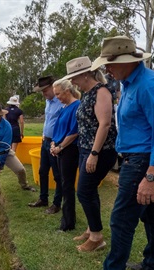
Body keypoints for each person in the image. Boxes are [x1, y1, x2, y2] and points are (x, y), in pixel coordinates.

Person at [76, 36, 154, 270]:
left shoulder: (150, 85)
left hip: (143, 161)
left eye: (110, 64)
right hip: (135, 159)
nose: (106, 70)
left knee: (121, 220)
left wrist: (151, 177)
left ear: (127, 62)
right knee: (152, 214)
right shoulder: (129, 84)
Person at [61, 56, 118, 252]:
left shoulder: (101, 92)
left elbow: (105, 124)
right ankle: (91, 228)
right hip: (85, 149)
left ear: (85, 75)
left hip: (100, 151)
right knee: (89, 190)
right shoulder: (86, 94)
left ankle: (97, 238)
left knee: (84, 190)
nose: (72, 82)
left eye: (74, 77)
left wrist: (94, 153)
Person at [28, 76, 64, 214]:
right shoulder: (48, 102)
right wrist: (44, 135)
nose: (44, 94)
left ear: (53, 87)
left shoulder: (61, 102)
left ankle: (56, 203)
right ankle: (43, 199)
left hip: (56, 142)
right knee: (43, 171)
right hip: (46, 141)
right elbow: (48, 120)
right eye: (42, 91)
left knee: (57, 174)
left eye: (46, 90)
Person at [50, 79, 80, 232]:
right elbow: (57, 129)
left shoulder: (76, 107)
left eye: (58, 94)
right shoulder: (64, 107)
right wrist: (53, 144)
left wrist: (60, 147)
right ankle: (68, 218)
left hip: (69, 150)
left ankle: (68, 223)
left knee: (67, 185)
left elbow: (74, 132)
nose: (57, 97)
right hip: (60, 149)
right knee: (63, 183)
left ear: (67, 91)